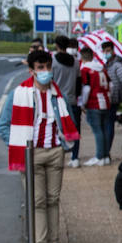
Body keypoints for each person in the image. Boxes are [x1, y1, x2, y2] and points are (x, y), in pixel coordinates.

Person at [0, 49, 79, 243]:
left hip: (54, 152)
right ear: (32, 70)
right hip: (31, 153)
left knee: (53, 199)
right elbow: (4, 126)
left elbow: (68, 118)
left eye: (48, 67)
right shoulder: (20, 93)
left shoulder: (57, 94)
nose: (46, 72)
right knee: (38, 200)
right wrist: (18, 146)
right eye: (41, 68)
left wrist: (63, 146)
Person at [77, 45, 112, 166]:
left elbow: (86, 88)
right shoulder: (102, 68)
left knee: (97, 130)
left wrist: (83, 103)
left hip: (94, 103)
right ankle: (106, 156)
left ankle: (99, 157)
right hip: (106, 102)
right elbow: (110, 85)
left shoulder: (85, 70)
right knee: (104, 129)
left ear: (82, 58)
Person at [52, 37, 81, 168]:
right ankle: (75, 157)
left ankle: (59, 157)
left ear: (57, 45)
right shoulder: (75, 62)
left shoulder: (52, 61)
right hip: (72, 99)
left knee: (57, 130)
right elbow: (79, 82)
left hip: (57, 101)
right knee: (75, 130)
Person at [101, 39, 122, 152]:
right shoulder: (107, 65)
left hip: (116, 101)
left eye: (108, 50)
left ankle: (106, 151)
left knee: (109, 125)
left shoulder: (117, 65)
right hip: (109, 100)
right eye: (104, 51)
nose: (106, 53)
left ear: (113, 50)